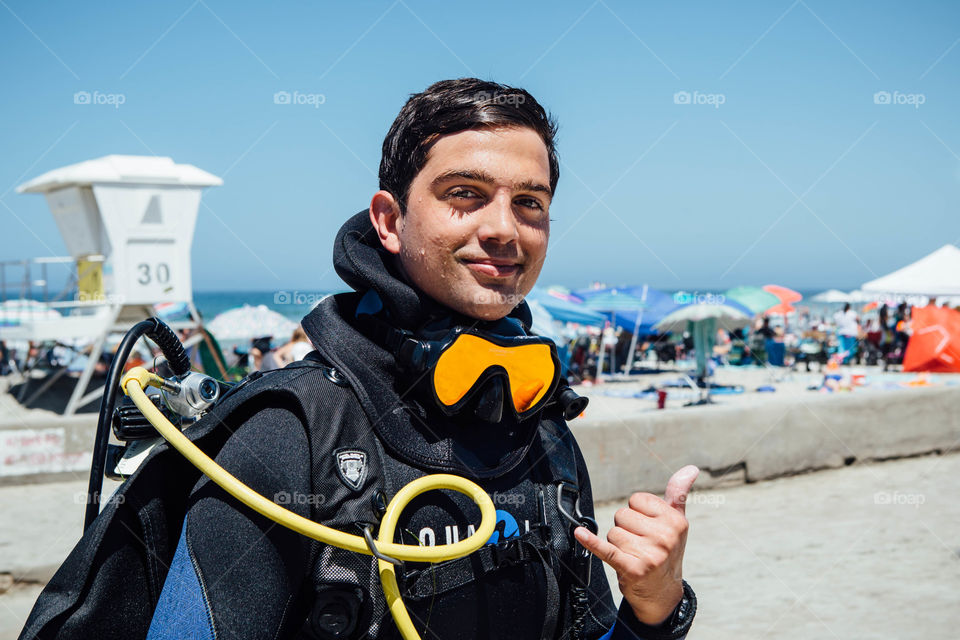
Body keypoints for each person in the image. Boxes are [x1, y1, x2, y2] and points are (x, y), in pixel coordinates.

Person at [21, 79, 698, 640]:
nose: (503, 228)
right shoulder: (290, 432)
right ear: (388, 219)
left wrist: (655, 605)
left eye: (530, 203)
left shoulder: (539, 428)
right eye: (464, 193)